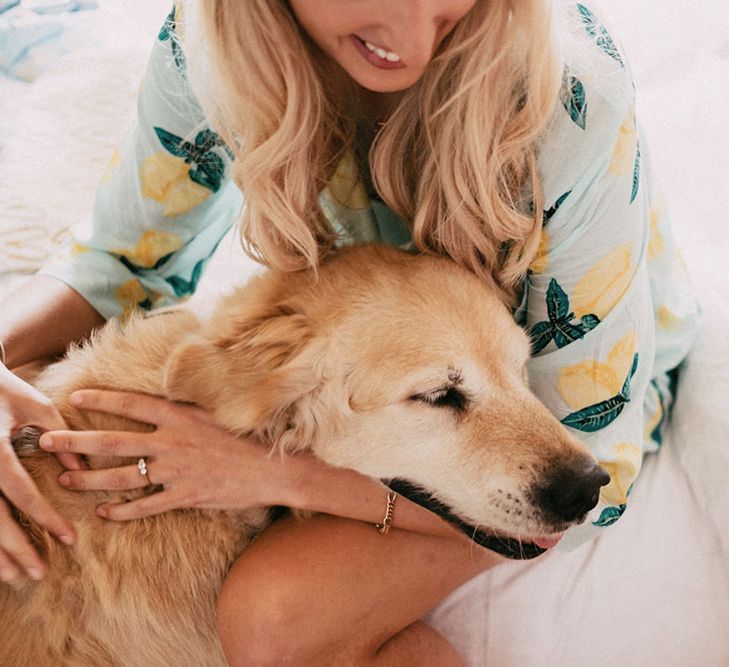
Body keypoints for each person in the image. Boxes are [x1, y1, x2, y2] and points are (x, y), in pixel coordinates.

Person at [0, 0, 699, 664]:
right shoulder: (212, 39)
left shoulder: (571, 96)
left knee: (277, 616)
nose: (418, 43)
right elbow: (119, 262)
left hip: (590, 388)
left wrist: (278, 473)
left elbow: (595, 470)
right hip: (371, 339)